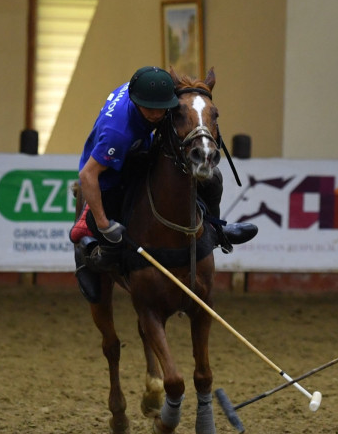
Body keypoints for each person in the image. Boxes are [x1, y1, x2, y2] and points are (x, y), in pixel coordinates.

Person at [71, 66, 257, 302]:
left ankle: (214, 230)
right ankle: (87, 260)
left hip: (143, 141)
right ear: (137, 102)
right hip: (113, 161)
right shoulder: (117, 133)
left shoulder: (153, 88)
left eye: (162, 109)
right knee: (110, 218)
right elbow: (88, 176)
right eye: (151, 109)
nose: (158, 115)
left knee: (213, 178)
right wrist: (105, 225)